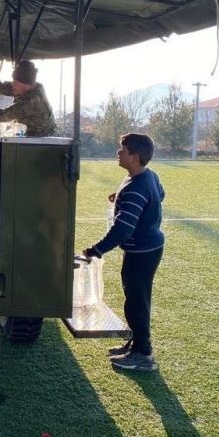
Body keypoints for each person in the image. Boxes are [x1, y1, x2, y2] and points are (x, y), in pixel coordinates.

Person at [83, 133, 165, 372]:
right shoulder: (147, 176)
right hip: (148, 248)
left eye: (123, 150)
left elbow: (122, 229)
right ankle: (137, 344)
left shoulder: (136, 188)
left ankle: (143, 355)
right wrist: (119, 197)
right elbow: (159, 194)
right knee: (135, 300)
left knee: (137, 303)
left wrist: (96, 250)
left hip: (142, 253)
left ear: (134, 157)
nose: (118, 152)